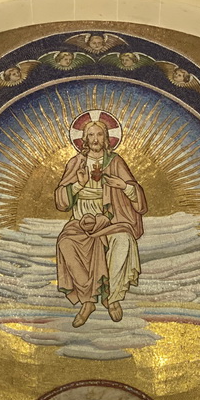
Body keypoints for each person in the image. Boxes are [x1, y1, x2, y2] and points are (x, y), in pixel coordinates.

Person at [55, 117, 147, 327]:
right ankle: (87, 301)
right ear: (84, 139)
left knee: (122, 240)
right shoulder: (75, 163)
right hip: (80, 220)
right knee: (65, 243)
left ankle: (112, 298)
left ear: (107, 138)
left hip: (111, 220)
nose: (95, 139)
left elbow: (139, 199)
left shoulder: (115, 162)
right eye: (91, 135)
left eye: (99, 134)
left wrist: (123, 186)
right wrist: (77, 186)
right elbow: (61, 201)